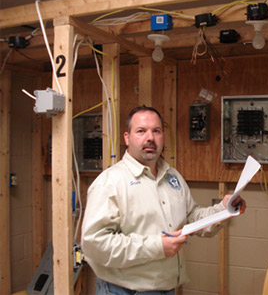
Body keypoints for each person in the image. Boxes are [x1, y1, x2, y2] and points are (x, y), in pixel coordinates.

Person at [81, 106, 246, 295]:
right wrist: (157, 247)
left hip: (166, 289)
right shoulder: (110, 183)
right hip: (124, 291)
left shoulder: (171, 176)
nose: (150, 138)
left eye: (156, 131)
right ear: (127, 138)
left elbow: (191, 216)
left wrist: (223, 210)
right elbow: (95, 244)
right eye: (141, 131)